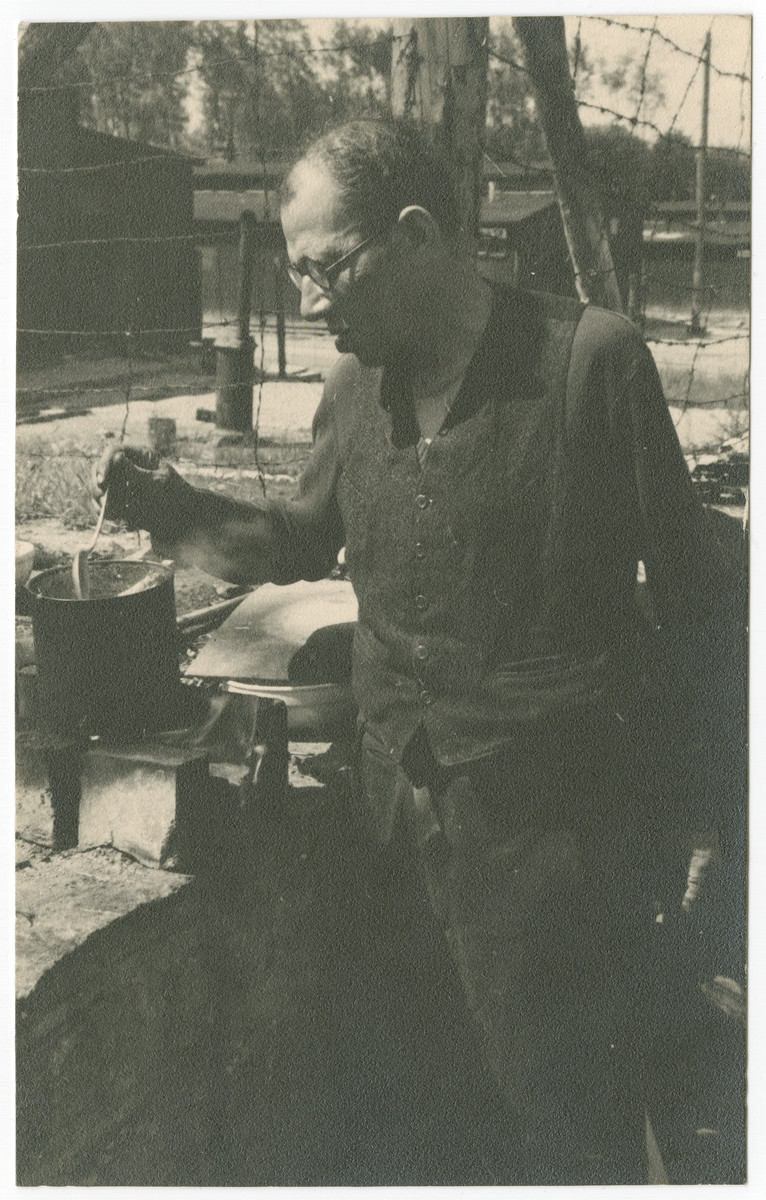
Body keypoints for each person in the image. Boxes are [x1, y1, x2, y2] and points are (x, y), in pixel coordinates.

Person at [94, 118, 743, 1184]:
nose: (308, 302)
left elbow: (702, 613)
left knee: (573, 1143)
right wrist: (171, 512)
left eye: (325, 269)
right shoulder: (356, 388)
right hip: (393, 838)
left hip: (560, 855)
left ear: (414, 235)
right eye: (297, 274)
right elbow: (302, 540)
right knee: (422, 1133)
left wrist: (711, 823)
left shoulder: (588, 362)